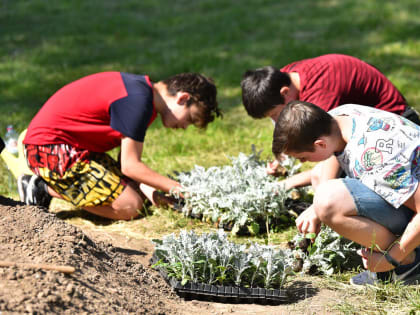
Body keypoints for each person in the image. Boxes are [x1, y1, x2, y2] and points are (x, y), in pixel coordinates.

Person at [17, 71, 221, 220]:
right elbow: (130, 166)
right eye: (190, 119)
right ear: (182, 98)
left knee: (134, 193)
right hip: (48, 150)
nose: (185, 127)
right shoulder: (138, 102)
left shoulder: (143, 95)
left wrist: (158, 196)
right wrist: (184, 191)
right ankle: (42, 187)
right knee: (130, 206)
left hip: (71, 148)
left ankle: (48, 185)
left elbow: (128, 168)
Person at [272, 100, 420, 285]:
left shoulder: (373, 156)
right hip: (407, 188)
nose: (302, 163)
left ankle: (409, 261)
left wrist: (393, 257)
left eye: (303, 157)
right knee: (321, 179)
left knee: (329, 202)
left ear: (320, 144)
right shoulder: (340, 116)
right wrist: (315, 209)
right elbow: (335, 155)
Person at [241, 53, 420, 181]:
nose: (275, 121)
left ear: (285, 92)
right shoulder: (286, 76)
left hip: (395, 129)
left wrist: (292, 183)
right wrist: (283, 158)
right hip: (363, 124)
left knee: (336, 180)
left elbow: (332, 152)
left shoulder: (320, 97)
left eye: (274, 114)